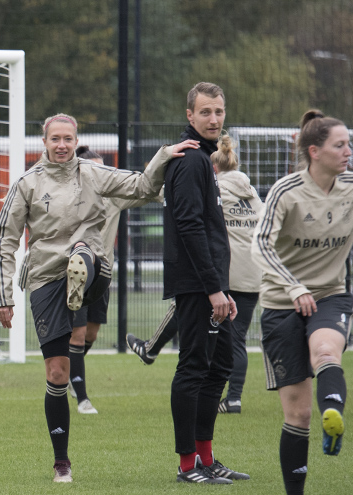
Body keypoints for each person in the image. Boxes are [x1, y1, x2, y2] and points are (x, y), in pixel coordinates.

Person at [0, 112, 193, 483]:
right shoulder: (27, 184)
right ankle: (61, 462)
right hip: (45, 280)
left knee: (83, 253)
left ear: (76, 139)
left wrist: (167, 154)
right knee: (56, 372)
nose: (63, 145)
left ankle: (79, 268)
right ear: (45, 142)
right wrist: (2, 296)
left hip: (94, 269)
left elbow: (144, 186)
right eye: (56, 139)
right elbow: (4, 240)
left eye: (68, 138)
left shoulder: (93, 174)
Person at [251, 109, 353, 495]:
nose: (349, 152)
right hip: (281, 303)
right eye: (340, 145)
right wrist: (293, 287)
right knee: (298, 414)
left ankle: (334, 410)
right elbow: (260, 246)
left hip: (329, 297)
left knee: (325, 351)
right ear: (314, 151)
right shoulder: (286, 191)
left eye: (349, 144)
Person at [126, 133, 264, 415]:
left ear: (211, 168)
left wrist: (162, 163)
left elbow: (168, 195)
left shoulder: (210, 187)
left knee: (188, 316)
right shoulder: (253, 196)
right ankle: (234, 397)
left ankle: (152, 350)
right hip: (253, 275)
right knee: (235, 339)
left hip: (221, 274)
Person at [162, 82, 247, 484]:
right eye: (205, 112)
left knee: (222, 363)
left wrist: (223, 286)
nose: (214, 119)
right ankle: (186, 465)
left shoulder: (204, 160)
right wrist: (214, 288)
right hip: (197, 284)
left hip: (212, 282)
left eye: (219, 111)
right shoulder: (189, 160)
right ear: (190, 116)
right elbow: (190, 226)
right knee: (194, 367)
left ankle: (207, 458)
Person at [66, 145, 179, 415]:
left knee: (92, 332)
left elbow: (148, 190)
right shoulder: (70, 197)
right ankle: (82, 397)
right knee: (78, 334)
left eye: (105, 167)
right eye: (98, 168)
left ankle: (71, 371)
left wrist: (176, 188)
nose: (104, 173)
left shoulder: (113, 196)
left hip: (103, 275)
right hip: (76, 273)